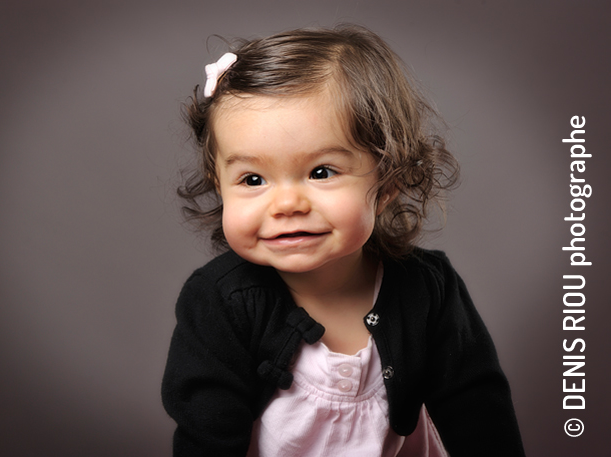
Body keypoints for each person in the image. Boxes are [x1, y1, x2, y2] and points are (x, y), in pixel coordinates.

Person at [162, 24, 525, 457]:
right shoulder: (220, 302)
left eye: (321, 172)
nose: (287, 203)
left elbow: (480, 413)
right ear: (219, 186)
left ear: (388, 180)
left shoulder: (428, 288)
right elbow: (206, 436)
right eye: (253, 179)